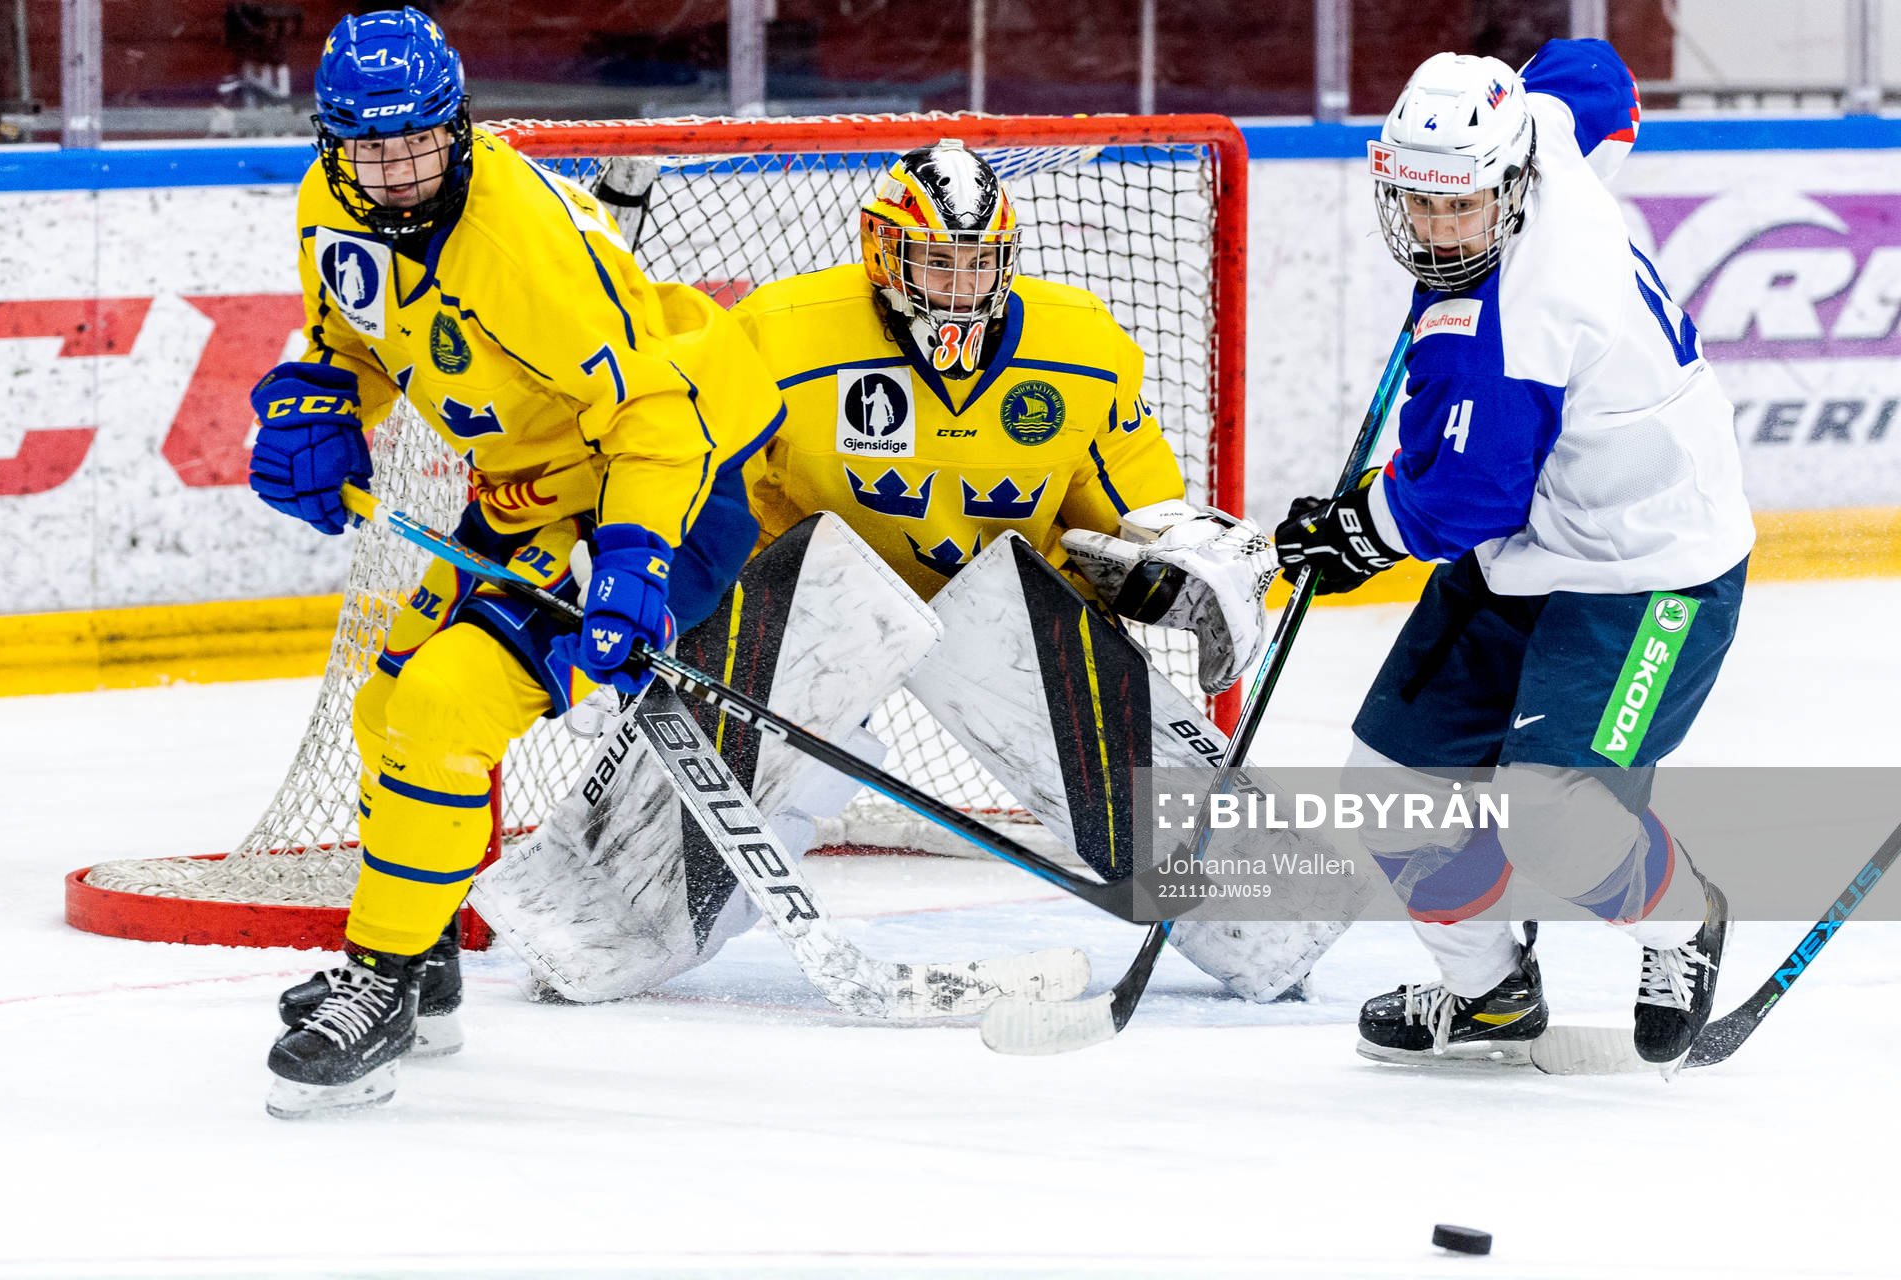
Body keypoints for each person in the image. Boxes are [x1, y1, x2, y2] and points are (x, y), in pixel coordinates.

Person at [488, 139, 1340, 1010]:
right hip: (814, 604)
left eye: (979, 264)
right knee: (816, 596)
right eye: (935, 261)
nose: (959, 287)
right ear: (881, 253)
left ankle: (1263, 913)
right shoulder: (780, 335)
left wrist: (1190, 568)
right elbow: (695, 479)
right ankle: (597, 920)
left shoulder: (1082, 348)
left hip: (1004, 607)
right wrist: (648, 595)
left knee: (1040, 631)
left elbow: (1132, 514)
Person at [250, 6, 783, 1117]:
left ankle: (383, 984)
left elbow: (656, 424)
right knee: (388, 702)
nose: (395, 173)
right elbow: (355, 337)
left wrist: (633, 571)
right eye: (368, 149)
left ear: (459, 126)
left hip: (667, 481)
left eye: (417, 144)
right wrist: (320, 400)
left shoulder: (519, 247)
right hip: (531, 486)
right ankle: (427, 960)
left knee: (449, 700)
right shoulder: (329, 201)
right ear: (328, 139)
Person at [1272, 39, 1754, 1068]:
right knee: (1384, 789)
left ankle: (1684, 922)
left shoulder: (1515, 323)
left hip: (1648, 568)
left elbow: (1464, 497)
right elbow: (1598, 78)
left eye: (1463, 209)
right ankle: (1488, 990)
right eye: (1424, 204)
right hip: (1531, 551)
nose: (1441, 233)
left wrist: (1355, 529)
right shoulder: (1535, 132)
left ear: (1514, 186)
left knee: (1549, 818)